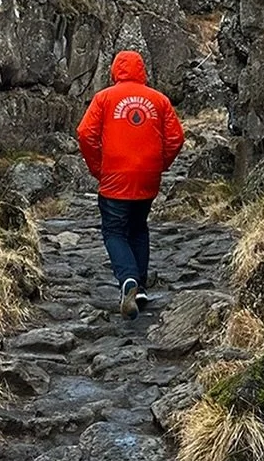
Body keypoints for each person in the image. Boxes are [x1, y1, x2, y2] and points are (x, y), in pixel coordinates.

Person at [76, 49, 184, 317]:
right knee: (138, 229)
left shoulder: (104, 99)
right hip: (147, 178)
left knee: (114, 232)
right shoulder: (159, 100)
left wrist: (98, 167)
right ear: (142, 70)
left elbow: (85, 134)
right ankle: (142, 286)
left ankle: (128, 280)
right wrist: (159, 166)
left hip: (114, 177)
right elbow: (176, 139)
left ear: (115, 71)